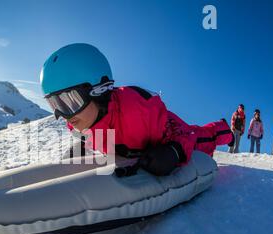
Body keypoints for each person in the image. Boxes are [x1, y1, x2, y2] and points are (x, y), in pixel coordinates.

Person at [40, 43, 234, 176]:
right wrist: (82, 148)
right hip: (129, 143)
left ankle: (224, 130)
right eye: (55, 105)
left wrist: (174, 150)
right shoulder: (78, 122)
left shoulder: (140, 111)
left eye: (69, 101)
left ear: (99, 91)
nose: (63, 115)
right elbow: (92, 136)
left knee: (204, 137)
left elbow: (184, 133)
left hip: (167, 130)